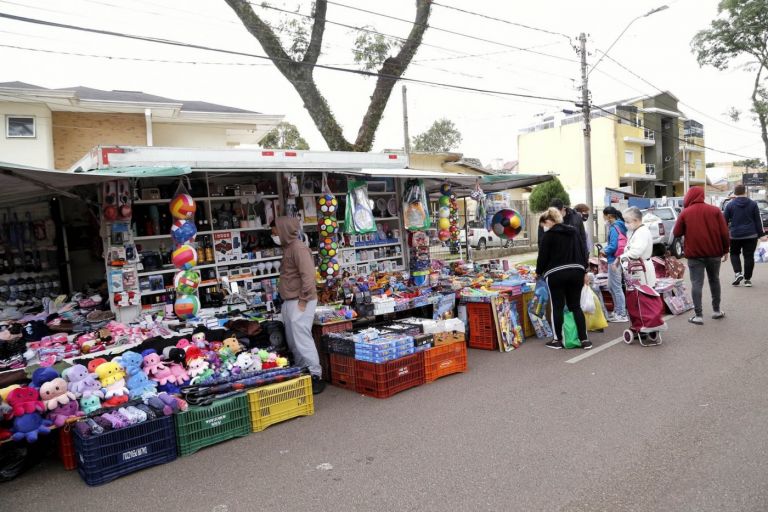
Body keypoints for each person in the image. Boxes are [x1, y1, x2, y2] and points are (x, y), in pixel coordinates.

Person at [274, 216, 324, 393]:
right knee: (293, 340)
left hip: (301, 300)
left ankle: (315, 375)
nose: (274, 234)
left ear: (285, 230)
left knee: (302, 339)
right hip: (291, 300)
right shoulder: (289, 248)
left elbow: (308, 276)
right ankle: (304, 373)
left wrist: (303, 301)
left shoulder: (298, 249)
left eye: (276, 230)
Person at [535, 207, 592, 350]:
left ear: (549, 221)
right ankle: (584, 340)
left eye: (544, 224)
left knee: (557, 307)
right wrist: (585, 269)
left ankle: (557, 340)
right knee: (576, 306)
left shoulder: (548, 236)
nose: (543, 228)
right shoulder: (573, 232)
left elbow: (542, 257)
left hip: (556, 274)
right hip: (577, 271)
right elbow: (583, 250)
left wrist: (538, 272)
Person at [672, 186, 730, 325]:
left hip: (695, 255)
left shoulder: (685, 213)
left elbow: (677, 233)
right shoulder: (715, 211)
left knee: (697, 283)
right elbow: (724, 232)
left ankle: (698, 316)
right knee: (714, 280)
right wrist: (725, 249)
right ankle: (716, 311)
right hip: (714, 253)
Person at [724, 184, 765, 287]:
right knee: (749, 256)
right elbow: (758, 220)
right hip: (751, 235)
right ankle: (747, 280)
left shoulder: (730, 205)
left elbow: (724, 221)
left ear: (735, 193)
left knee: (734, 253)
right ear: (745, 192)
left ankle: (738, 273)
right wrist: (762, 235)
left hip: (735, 235)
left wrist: (723, 235)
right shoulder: (753, 204)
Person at [601, 206, 628, 322]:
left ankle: (621, 314)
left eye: (604, 216)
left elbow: (613, 245)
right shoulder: (620, 225)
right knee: (612, 287)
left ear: (609, 216)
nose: (604, 218)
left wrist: (604, 251)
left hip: (614, 260)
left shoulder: (614, 228)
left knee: (616, 287)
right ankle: (617, 311)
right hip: (617, 259)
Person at [617, 207, 656, 288]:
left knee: (642, 293)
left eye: (628, 222)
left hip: (642, 270)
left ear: (636, 220)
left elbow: (635, 253)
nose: (626, 224)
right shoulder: (637, 230)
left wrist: (620, 258)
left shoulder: (642, 232)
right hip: (638, 268)